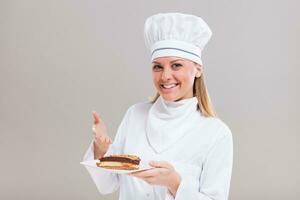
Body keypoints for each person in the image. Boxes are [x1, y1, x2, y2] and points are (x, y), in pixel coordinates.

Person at [83, 12, 233, 200]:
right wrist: (101, 148)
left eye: (176, 65)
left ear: (197, 69)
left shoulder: (216, 133)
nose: (165, 76)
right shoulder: (135, 115)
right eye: (158, 66)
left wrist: (175, 184)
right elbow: (107, 185)